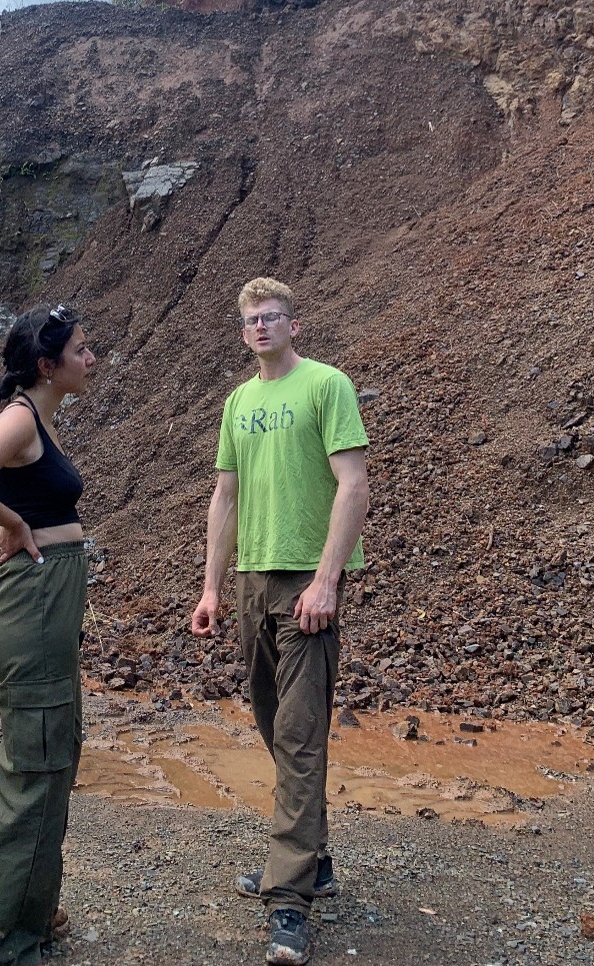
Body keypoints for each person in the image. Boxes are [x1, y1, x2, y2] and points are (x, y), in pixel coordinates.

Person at [191, 277, 369, 966]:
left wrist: (328, 579)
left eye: (271, 317)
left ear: (294, 324)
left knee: (298, 735)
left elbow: (352, 484)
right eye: (249, 321)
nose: (260, 328)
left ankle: (289, 900)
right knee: (271, 721)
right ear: (241, 333)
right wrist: (210, 587)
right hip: (249, 581)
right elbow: (224, 497)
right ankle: (312, 858)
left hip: (305, 582)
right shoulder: (239, 401)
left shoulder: (327, 386)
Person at [0, 303, 96, 966]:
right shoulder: (19, 419)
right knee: (33, 771)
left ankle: (31, 916)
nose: (93, 359)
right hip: (31, 608)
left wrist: (17, 520)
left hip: (44, 608)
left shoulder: (41, 420)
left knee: (53, 758)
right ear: (46, 365)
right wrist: (13, 522)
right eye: (83, 350)